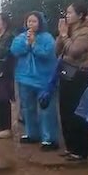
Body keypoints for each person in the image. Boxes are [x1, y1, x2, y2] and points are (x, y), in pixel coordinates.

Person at [11, 12, 59, 150]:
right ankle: (32, 134)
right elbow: (15, 50)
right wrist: (27, 43)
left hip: (44, 79)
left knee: (46, 108)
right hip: (25, 78)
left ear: (40, 23)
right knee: (27, 107)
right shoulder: (21, 37)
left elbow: (47, 53)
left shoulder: (47, 38)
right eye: (29, 21)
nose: (31, 24)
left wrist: (34, 44)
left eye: (34, 21)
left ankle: (49, 139)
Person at [56, 1, 88, 161]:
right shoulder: (69, 30)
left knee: (77, 112)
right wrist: (61, 35)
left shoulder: (86, 32)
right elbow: (56, 50)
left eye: (70, 13)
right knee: (65, 110)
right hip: (66, 72)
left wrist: (65, 37)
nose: (67, 16)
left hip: (80, 75)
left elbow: (74, 51)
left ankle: (81, 150)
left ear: (80, 15)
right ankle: (70, 147)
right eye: (66, 13)